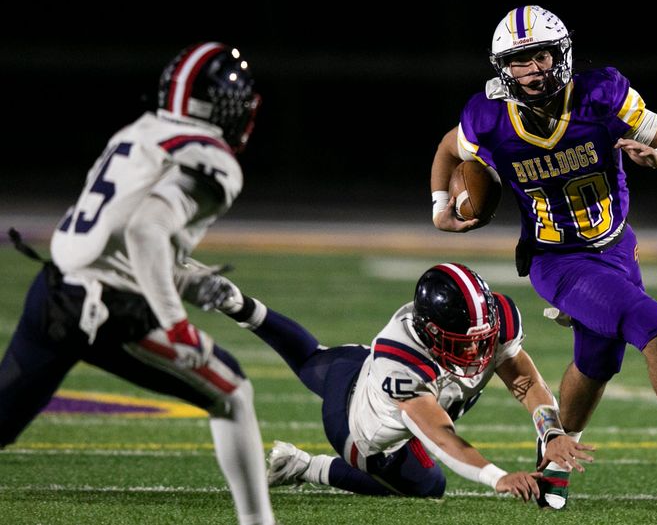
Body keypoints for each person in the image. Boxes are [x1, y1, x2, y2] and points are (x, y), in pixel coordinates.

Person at [429, 5, 657, 509]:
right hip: (557, 259)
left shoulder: (601, 92)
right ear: (502, 67)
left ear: (561, 53)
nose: (532, 71)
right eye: (520, 61)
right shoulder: (487, 114)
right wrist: (443, 208)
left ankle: (552, 466)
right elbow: (448, 148)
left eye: (541, 56)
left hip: (616, 247)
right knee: (652, 323)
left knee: (597, 360)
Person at [0, 42, 275, 525]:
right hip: (106, 310)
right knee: (232, 393)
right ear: (221, 104)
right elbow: (145, 230)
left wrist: (188, 282)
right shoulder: (215, 159)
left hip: (55, 290)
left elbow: (114, 238)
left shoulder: (139, 132)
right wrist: (176, 323)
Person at [196, 262, 594, 503]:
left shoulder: (494, 319)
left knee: (313, 357)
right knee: (429, 486)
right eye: (464, 343)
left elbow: (522, 378)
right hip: (363, 434)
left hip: (359, 366)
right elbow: (442, 436)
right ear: (431, 332)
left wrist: (551, 430)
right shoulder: (402, 361)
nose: (476, 352)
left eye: (482, 340)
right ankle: (301, 466)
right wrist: (497, 476)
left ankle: (238, 304)